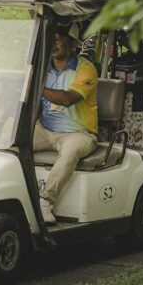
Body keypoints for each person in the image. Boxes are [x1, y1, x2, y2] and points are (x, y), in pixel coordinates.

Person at [35, 22, 98, 223]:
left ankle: (46, 201)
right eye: (50, 39)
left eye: (58, 39)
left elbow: (68, 99)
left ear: (72, 44)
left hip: (78, 133)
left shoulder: (86, 69)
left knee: (70, 152)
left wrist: (35, 87)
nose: (53, 44)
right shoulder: (43, 66)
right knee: (10, 142)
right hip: (45, 129)